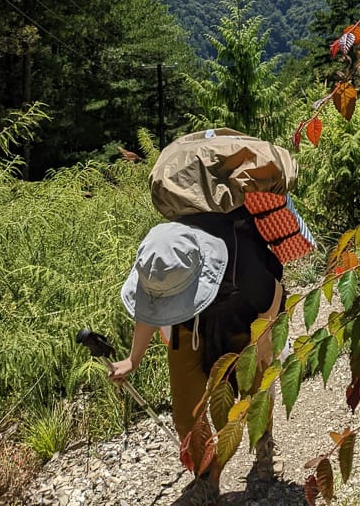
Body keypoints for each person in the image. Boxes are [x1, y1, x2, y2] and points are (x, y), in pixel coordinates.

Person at [109, 212, 284, 503]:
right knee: (185, 408)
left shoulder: (240, 255)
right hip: (189, 326)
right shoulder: (159, 256)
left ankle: (263, 448)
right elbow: (150, 306)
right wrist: (133, 359)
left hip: (244, 317)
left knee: (255, 392)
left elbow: (272, 294)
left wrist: (263, 339)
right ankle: (206, 479)